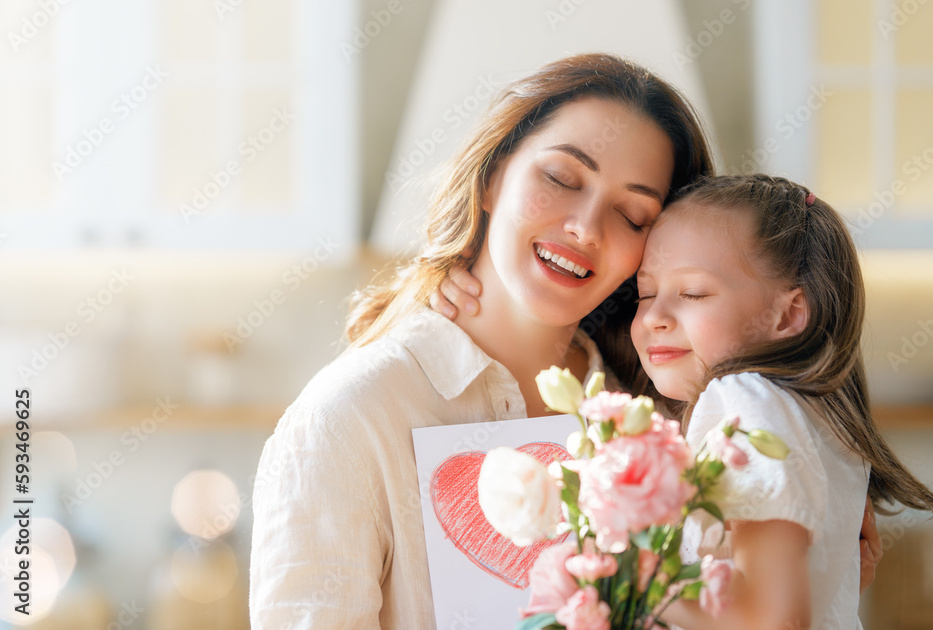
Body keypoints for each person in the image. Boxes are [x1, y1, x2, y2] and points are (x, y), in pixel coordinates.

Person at [249, 52, 715, 629]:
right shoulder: (351, 417)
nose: (586, 228)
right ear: (493, 177)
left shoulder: (658, 424)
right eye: (561, 178)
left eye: (633, 214)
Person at [630, 174, 933, 628]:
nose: (655, 316)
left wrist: (635, 582)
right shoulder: (817, 415)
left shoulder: (743, 402)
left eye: (693, 292)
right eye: (645, 293)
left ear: (791, 313)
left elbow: (773, 620)